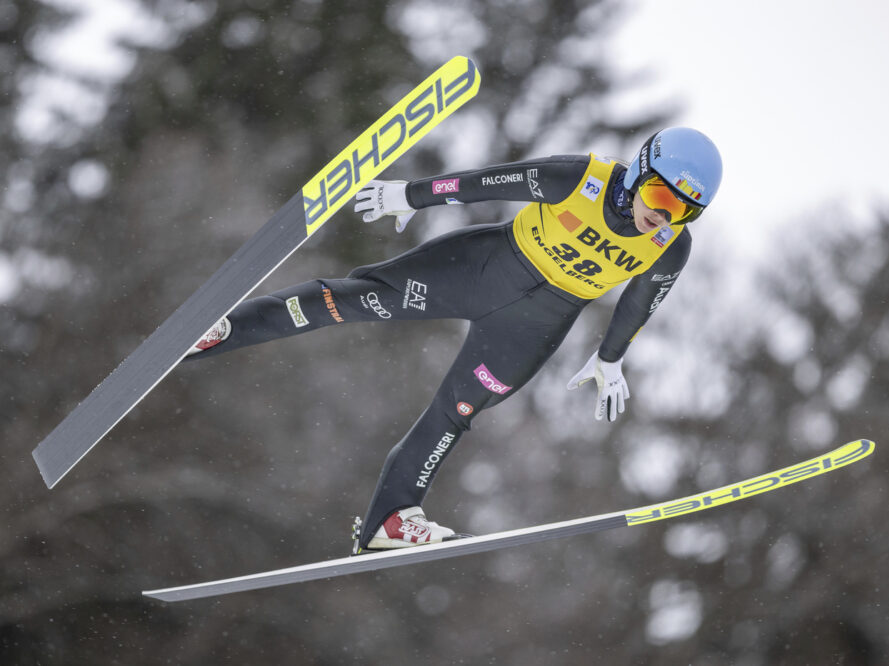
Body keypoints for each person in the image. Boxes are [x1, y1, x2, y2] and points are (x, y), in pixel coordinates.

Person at [185, 127, 723, 553]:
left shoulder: (669, 246)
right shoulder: (582, 179)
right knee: (352, 300)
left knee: (456, 411)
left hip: (533, 326)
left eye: (682, 210)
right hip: (482, 269)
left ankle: (390, 520)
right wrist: (412, 196)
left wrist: (611, 359)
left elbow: (640, 302)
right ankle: (226, 328)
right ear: (640, 171)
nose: (663, 214)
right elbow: (490, 181)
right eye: (659, 195)